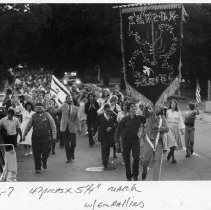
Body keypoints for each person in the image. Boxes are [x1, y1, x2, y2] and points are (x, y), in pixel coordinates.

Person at [23, 102, 57, 174]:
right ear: (35, 108)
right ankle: (37, 168)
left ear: (43, 108)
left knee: (47, 151)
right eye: (37, 107)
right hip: (36, 137)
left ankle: (44, 160)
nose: (39, 108)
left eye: (40, 107)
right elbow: (28, 126)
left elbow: (53, 126)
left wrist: (54, 136)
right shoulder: (33, 116)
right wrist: (24, 135)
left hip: (46, 137)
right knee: (36, 153)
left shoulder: (47, 115)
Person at [115, 102, 146, 181]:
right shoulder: (124, 119)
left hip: (135, 140)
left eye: (135, 106)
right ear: (128, 109)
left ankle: (135, 175)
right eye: (132, 106)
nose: (134, 107)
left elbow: (147, 116)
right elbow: (117, 131)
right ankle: (128, 177)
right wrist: (117, 142)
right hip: (126, 141)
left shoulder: (139, 118)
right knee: (127, 159)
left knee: (136, 157)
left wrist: (147, 108)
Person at [141, 105, 169, 181]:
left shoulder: (162, 117)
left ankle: (155, 181)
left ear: (160, 109)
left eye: (158, 107)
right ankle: (144, 171)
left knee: (158, 161)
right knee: (145, 161)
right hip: (149, 141)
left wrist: (159, 128)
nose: (156, 108)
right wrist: (147, 105)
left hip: (159, 142)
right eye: (155, 107)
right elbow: (144, 112)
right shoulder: (149, 114)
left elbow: (167, 129)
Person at [54, 95, 81, 163]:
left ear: (72, 100)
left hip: (72, 128)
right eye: (68, 98)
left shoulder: (75, 108)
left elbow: (77, 119)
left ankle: (72, 154)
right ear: (66, 100)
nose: (69, 99)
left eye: (70, 98)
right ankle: (68, 158)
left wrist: (79, 128)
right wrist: (50, 105)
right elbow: (55, 111)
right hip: (64, 127)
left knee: (73, 143)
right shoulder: (63, 106)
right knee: (66, 144)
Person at [93, 104, 117, 169]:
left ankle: (106, 159)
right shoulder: (100, 116)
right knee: (104, 149)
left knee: (108, 149)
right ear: (104, 110)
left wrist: (111, 128)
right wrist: (94, 134)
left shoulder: (112, 116)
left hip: (110, 135)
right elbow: (96, 125)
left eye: (109, 111)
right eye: (107, 111)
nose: (108, 112)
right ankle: (105, 163)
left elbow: (116, 124)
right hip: (103, 135)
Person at [166, 99, 185, 164]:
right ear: (170, 104)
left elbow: (181, 120)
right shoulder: (167, 111)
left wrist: (182, 129)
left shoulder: (178, 112)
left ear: (176, 104)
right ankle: (173, 158)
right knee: (172, 142)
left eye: (174, 103)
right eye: (172, 103)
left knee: (175, 144)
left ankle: (170, 153)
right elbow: (164, 120)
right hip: (169, 128)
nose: (173, 104)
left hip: (176, 128)